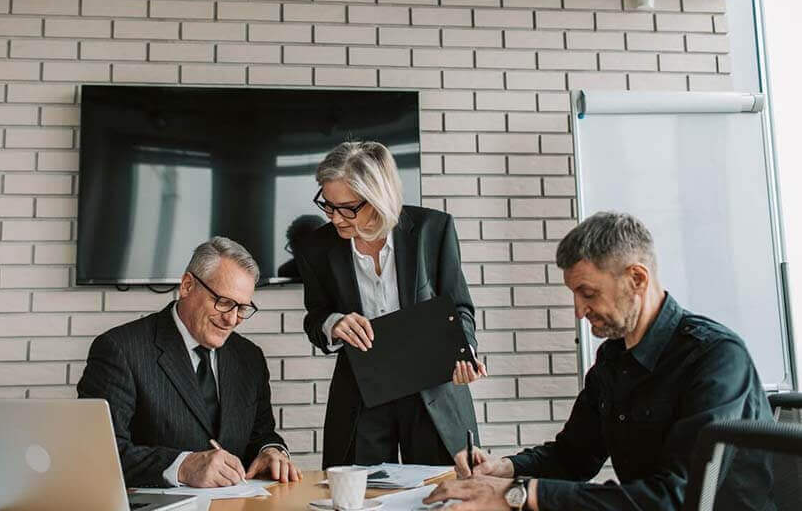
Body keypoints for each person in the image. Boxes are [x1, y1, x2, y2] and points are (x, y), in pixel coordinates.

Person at [423, 212, 773, 511]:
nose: (578, 311)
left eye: (588, 293)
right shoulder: (613, 357)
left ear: (636, 278)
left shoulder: (716, 357)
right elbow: (573, 456)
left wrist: (520, 494)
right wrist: (505, 469)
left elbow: (679, 498)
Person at [294, 141, 488, 469]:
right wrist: (333, 324)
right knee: (359, 496)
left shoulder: (433, 230)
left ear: (378, 197)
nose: (336, 218)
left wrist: (464, 350)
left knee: (444, 493)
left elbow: (459, 308)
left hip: (434, 390)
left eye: (347, 208)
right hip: (361, 393)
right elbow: (316, 316)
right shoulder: (314, 248)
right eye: (328, 205)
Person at [77, 237, 302, 488]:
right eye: (224, 302)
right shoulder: (120, 349)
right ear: (187, 286)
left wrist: (270, 451)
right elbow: (98, 453)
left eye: (242, 308)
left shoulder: (250, 357)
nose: (232, 319)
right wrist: (182, 467)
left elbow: (261, 433)